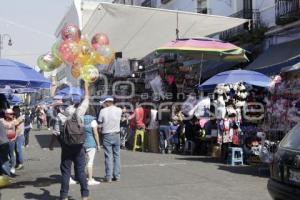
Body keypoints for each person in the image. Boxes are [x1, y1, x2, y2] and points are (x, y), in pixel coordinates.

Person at [53, 82, 90, 200]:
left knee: (65, 172)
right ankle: (84, 195)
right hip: (79, 146)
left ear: (64, 103)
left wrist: (58, 143)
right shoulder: (78, 112)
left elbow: (56, 132)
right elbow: (87, 99)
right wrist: (86, 87)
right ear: (73, 102)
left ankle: (63, 196)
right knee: (80, 172)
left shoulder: (60, 116)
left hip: (67, 147)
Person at [98, 96, 122, 182]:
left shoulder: (102, 111)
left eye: (104, 103)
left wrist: (99, 133)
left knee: (108, 156)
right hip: (116, 134)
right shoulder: (119, 110)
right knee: (117, 155)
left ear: (107, 102)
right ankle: (117, 175)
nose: (103, 105)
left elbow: (100, 124)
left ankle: (109, 176)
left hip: (106, 134)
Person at [83, 106, 100, 186]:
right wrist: (98, 145)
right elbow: (96, 134)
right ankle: (90, 179)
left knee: (82, 162)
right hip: (91, 142)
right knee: (90, 162)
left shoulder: (80, 119)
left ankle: (82, 178)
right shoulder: (93, 121)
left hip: (81, 142)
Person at [0, 109, 21, 175]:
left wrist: (15, 136)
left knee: (11, 153)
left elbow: (18, 128)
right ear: (6, 114)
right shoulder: (1, 121)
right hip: (3, 141)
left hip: (11, 140)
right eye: (11, 114)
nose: (12, 115)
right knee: (5, 155)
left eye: (13, 114)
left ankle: (12, 167)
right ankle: (6, 168)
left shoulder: (15, 121)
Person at [12, 106, 25, 170]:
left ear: (19, 111)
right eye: (14, 110)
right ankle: (17, 163)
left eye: (16, 110)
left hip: (20, 135)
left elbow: (15, 123)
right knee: (16, 150)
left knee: (18, 149)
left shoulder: (21, 117)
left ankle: (21, 163)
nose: (15, 112)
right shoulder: (15, 117)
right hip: (15, 135)